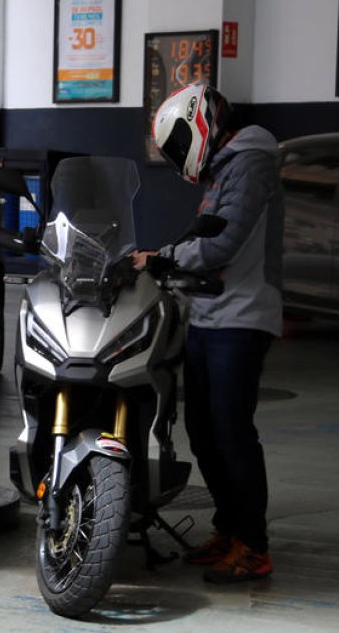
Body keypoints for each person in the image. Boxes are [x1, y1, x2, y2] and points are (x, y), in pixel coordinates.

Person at [133, 82, 283, 584]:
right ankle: (229, 528)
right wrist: (165, 257)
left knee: (232, 434)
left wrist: (162, 258)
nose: (178, 158)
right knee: (203, 431)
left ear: (199, 125)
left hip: (241, 319)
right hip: (211, 315)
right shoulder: (225, 169)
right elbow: (204, 237)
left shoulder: (250, 161)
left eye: (177, 144)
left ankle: (252, 545)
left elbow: (220, 245)